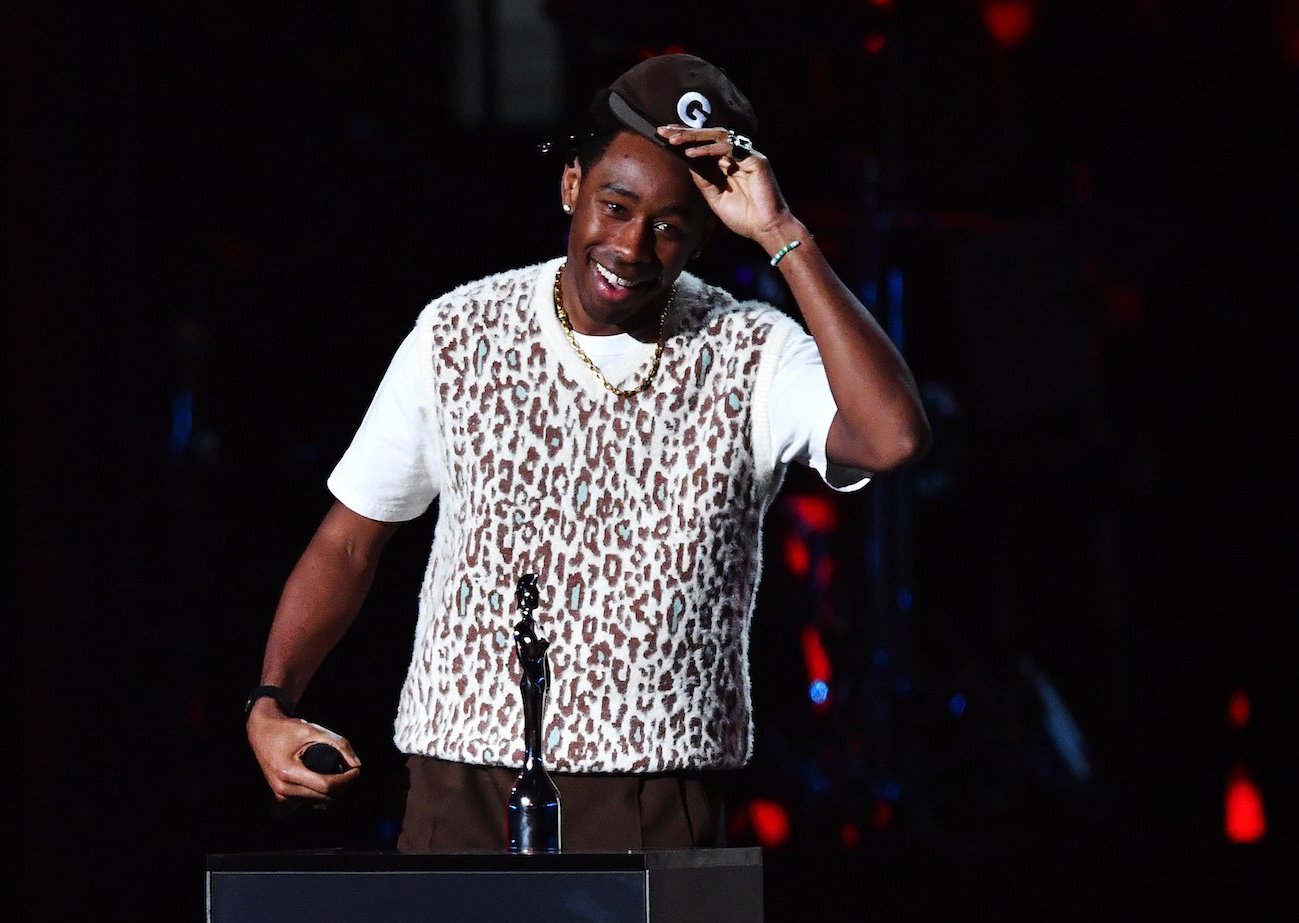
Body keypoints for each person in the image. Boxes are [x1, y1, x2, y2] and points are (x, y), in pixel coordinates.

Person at [245, 52, 931, 851]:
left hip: (653, 796)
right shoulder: (460, 333)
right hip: (460, 791)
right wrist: (272, 699)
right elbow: (351, 538)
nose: (633, 247)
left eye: (671, 226)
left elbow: (893, 436)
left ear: (706, 234)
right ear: (572, 184)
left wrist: (784, 235)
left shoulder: (752, 351)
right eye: (615, 205)